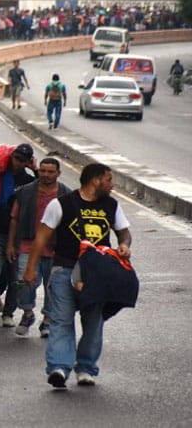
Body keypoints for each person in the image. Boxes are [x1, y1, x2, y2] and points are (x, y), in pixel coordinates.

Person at [24, 163, 131, 389]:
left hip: (98, 274)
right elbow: (42, 237)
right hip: (64, 269)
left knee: (94, 321)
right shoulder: (61, 204)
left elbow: (123, 232)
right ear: (95, 180)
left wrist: (124, 245)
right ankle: (58, 368)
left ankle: (85, 367)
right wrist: (30, 268)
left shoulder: (112, 205)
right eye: (109, 180)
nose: (112, 185)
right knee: (61, 320)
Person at [7, 158, 70, 337]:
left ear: (58, 173)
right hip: (28, 245)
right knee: (24, 282)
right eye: (42, 171)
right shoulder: (25, 192)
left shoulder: (66, 195)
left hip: (56, 249)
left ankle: (48, 320)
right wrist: (11, 244)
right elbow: (14, 219)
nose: (46, 175)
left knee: (54, 286)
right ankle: (27, 313)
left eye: (50, 172)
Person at [0, 144, 35, 331]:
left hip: (20, 236)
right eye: (15, 158)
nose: (17, 163)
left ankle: (8, 313)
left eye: (22, 161)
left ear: (28, 162)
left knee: (15, 277)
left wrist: (36, 171)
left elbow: (39, 198)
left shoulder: (29, 181)